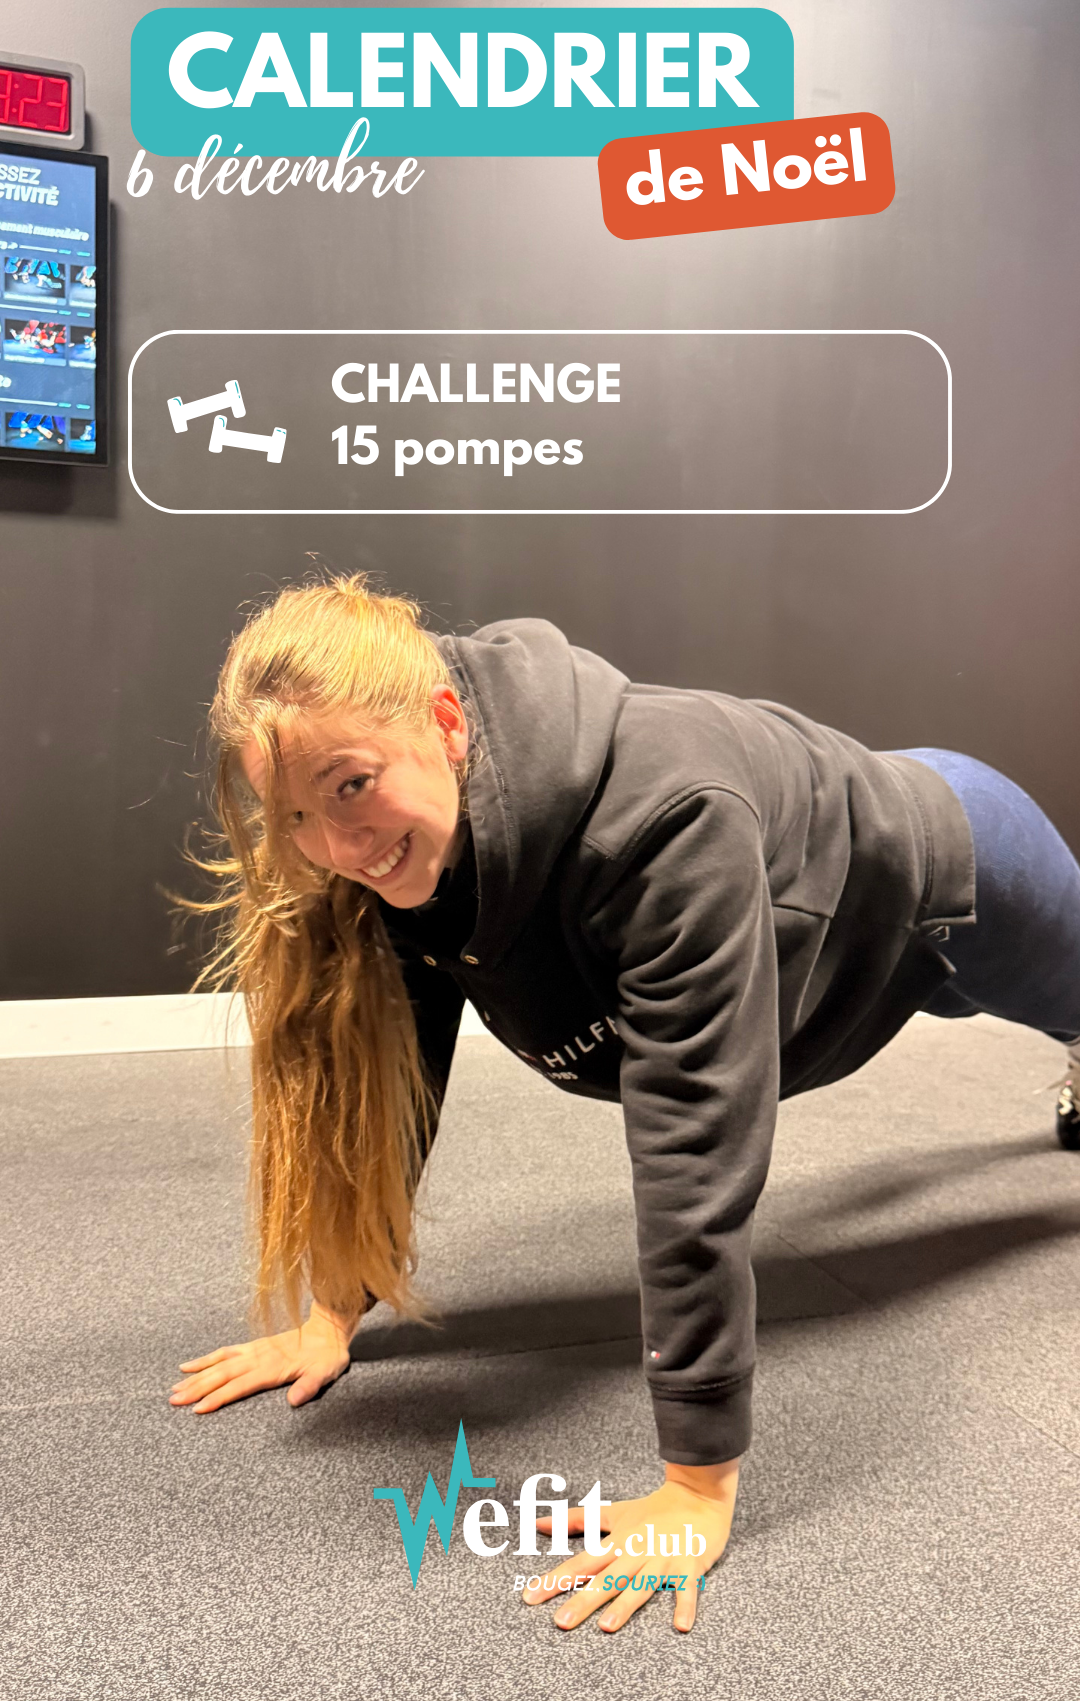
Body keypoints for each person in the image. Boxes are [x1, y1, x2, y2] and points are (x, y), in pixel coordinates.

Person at [168, 573, 1080, 1637]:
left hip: (955, 866)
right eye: (294, 815)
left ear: (448, 726)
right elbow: (391, 1081)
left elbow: (694, 1145)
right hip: (809, 875)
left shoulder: (665, 821)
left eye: (351, 787)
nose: (336, 845)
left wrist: (696, 1483)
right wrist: (334, 1309)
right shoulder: (400, 837)